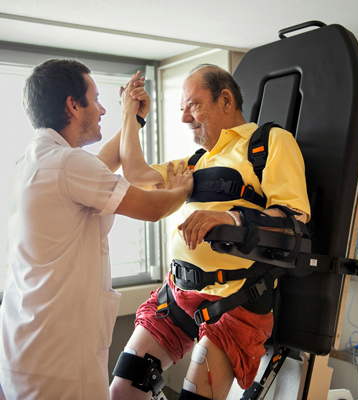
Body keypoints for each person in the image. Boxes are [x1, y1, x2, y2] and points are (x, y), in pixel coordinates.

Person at [109, 64, 311, 400]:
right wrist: (131, 115)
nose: (185, 118)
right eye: (181, 109)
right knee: (123, 390)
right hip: (178, 296)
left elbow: (292, 219)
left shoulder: (267, 144)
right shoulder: (195, 161)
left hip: (234, 300)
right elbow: (135, 173)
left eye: (193, 105)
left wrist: (231, 219)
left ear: (226, 99)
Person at [0, 59, 193, 400]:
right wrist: (183, 187)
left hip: (27, 347)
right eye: (97, 99)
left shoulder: (38, 159)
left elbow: (104, 163)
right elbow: (151, 208)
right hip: (57, 359)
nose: (103, 110)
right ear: (72, 105)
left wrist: (133, 118)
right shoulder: (66, 163)